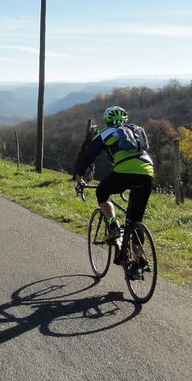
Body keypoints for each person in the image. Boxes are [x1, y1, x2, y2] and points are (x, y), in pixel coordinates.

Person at [72, 105, 154, 275]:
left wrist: (79, 178)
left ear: (107, 121)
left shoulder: (106, 133)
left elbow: (88, 156)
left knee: (102, 191)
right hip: (147, 172)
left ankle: (113, 224)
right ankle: (138, 260)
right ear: (124, 120)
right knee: (135, 219)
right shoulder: (135, 131)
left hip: (125, 171)